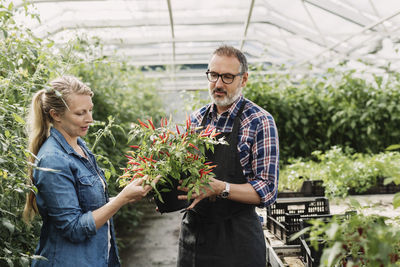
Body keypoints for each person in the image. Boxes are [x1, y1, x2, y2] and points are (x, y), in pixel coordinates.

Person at [23, 76, 157, 267]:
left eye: (90, 110)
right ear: (56, 115)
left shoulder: (80, 146)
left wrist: (125, 196)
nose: (90, 119)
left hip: (98, 257)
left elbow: (88, 208)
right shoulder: (53, 159)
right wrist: (121, 199)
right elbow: (73, 228)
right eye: (80, 113)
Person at [177, 45, 279, 267]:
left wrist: (221, 188)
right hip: (194, 236)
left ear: (244, 80)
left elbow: (267, 190)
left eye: (227, 77)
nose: (218, 84)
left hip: (237, 240)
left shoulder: (259, 122)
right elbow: (185, 176)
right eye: (213, 75)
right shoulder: (195, 120)